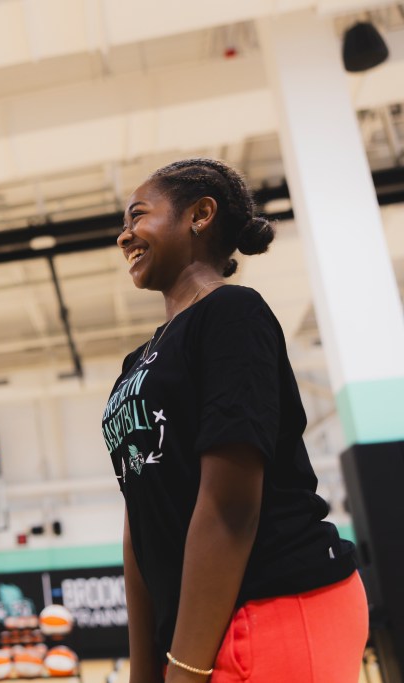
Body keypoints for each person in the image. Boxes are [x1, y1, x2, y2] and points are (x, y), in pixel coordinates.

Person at [103, 158, 367, 682]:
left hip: (280, 599)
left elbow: (230, 503)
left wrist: (184, 667)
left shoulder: (232, 313)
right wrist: (146, 668)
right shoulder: (138, 363)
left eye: (138, 216)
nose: (123, 235)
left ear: (199, 215)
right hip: (198, 631)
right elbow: (140, 514)